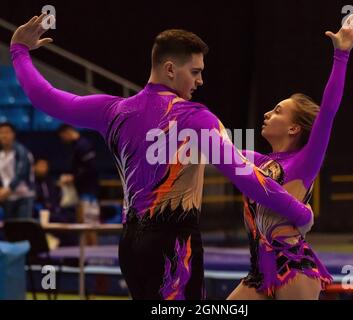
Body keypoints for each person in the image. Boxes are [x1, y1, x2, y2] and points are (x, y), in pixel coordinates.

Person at [10, 13, 313, 300]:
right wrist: (300, 212)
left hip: (131, 245)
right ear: (170, 69)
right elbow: (246, 177)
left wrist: (19, 51)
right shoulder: (196, 118)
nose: (200, 81)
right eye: (195, 72)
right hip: (175, 245)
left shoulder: (114, 111)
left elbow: (46, 97)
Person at [227, 15, 353, 300]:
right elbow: (218, 147)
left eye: (277, 111)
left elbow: (327, 112)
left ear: (293, 128)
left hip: (294, 266)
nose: (267, 113)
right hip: (259, 271)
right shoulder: (255, 160)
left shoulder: (305, 161)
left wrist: (341, 55)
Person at [57, 124, 99, 244]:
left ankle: (94, 254)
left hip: (89, 191)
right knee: (83, 222)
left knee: (89, 223)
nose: (63, 140)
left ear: (67, 132)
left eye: (62, 137)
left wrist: (72, 177)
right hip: (81, 191)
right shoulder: (76, 146)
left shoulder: (84, 145)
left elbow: (90, 168)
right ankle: (86, 254)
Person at [0, 122, 35, 220]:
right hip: (7, 197)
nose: (4, 135)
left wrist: (8, 189)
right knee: (9, 229)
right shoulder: (1, 154)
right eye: (1, 133)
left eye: (7, 132)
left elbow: (21, 173)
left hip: (23, 195)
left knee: (21, 228)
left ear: (13, 134)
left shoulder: (22, 151)